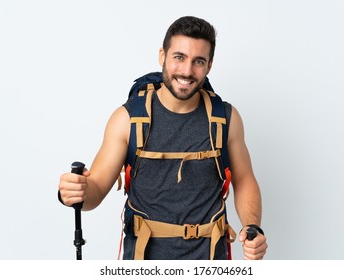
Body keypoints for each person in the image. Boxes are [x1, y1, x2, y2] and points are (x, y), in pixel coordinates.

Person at [58, 16, 268, 260]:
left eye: (198, 61)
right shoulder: (127, 119)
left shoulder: (226, 119)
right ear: (162, 56)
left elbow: (244, 180)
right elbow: (94, 193)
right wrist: (75, 193)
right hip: (143, 260)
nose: (187, 71)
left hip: (211, 259)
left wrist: (253, 227)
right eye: (179, 57)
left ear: (209, 66)